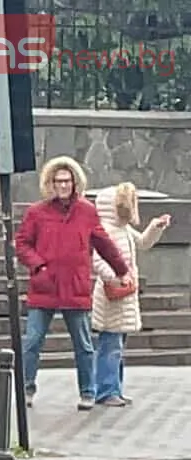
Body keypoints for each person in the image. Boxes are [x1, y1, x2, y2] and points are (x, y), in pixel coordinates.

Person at [14, 156, 130, 411]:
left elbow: (104, 243)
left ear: (75, 182)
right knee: (32, 342)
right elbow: (22, 244)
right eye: (58, 181)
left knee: (84, 345)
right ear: (51, 183)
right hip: (45, 286)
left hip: (75, 288)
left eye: (67, 181)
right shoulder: (36, 212)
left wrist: (122, 270)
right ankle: (26, 388)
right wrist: (39, 266)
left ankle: (88, 391)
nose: (63, 185)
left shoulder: (87, 211)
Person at [90, 182, 171, 407]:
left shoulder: (123, 229)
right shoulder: (105, 230)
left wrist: (155, 227)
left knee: (117, 345)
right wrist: (116, 276)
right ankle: (106, 390)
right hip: (113, 295)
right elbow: (97, 261)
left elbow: (143, 242)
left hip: (123, 295)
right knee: (111, 344)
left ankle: (114, 388)